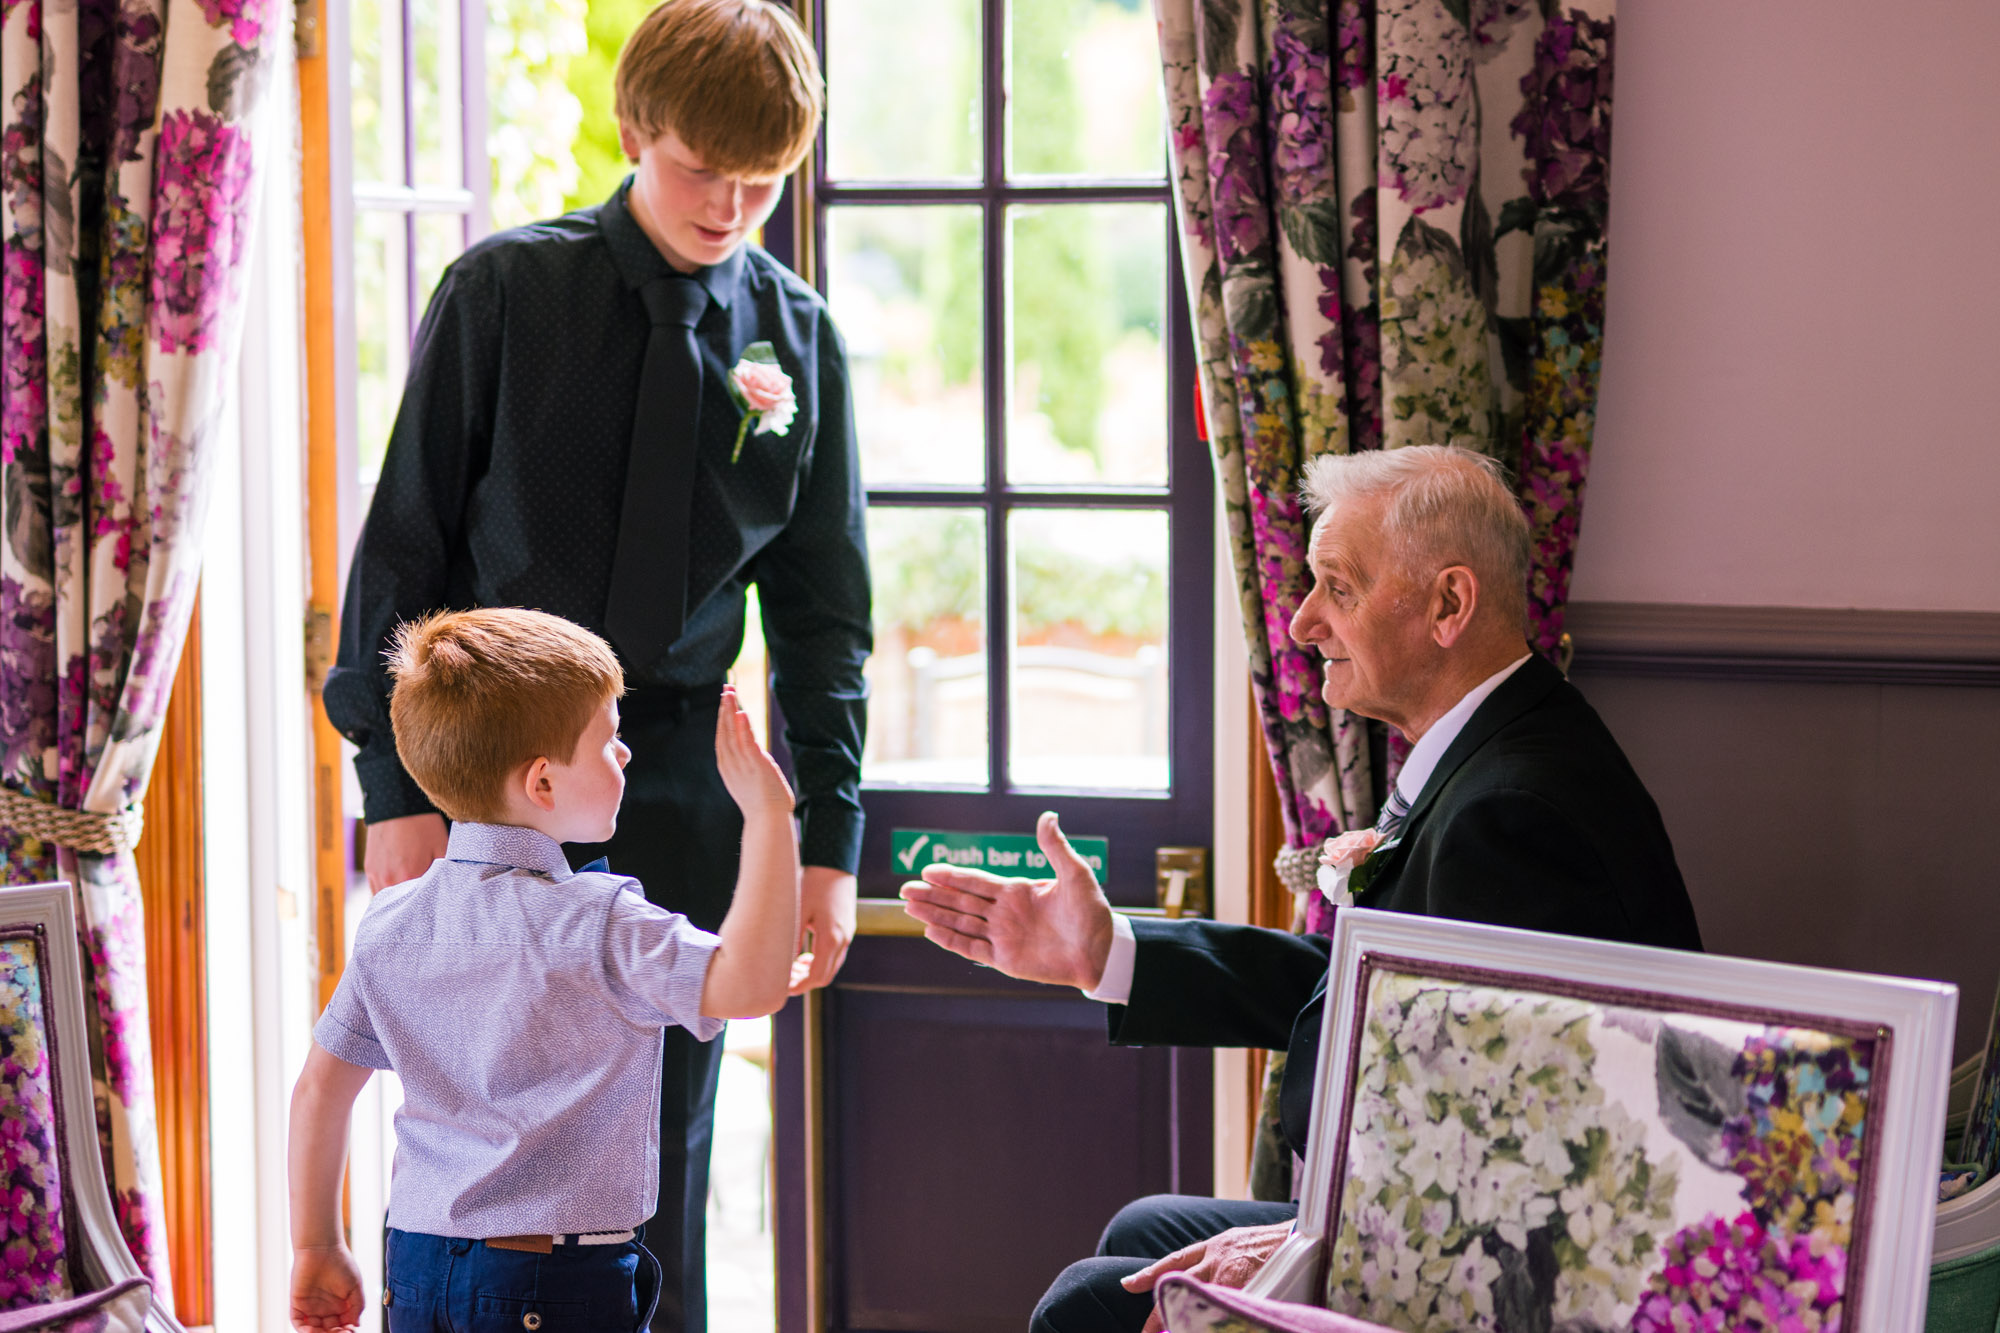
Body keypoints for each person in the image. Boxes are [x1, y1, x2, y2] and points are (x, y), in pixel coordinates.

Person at [320, 3, 868, 1326]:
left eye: (764, 180)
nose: (731, 204)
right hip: (485, 786)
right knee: (475, 1140)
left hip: (675, 782)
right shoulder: (503, 295)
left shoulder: (797, 343)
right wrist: (397, 795)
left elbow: (823, 621)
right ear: (635, 132)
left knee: (663, 1164)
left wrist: (828, 849)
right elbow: (401, 556)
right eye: (701, 169)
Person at [898, 445, 1704, 1333]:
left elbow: (1518, 1146)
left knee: (1086, 1304)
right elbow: (1369, 995)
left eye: (1339, 588)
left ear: (1448, 605)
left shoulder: (1512, 815)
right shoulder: (1499, 747)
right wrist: (1108, 951)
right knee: (1141, 1232)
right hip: (1448, 1204)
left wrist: (1295, 1243)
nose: (1302, 623)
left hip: (1519, 1267)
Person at [289, 608, 801, 1332]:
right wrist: (770, 817)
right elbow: (752, 983)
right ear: (543, 784)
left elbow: (318, 1089)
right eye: (608, 740)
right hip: (551, 1279)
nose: (624, 756)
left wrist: (316, 1243)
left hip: (416, 1264)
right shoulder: (600, 918)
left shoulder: (391, 921)